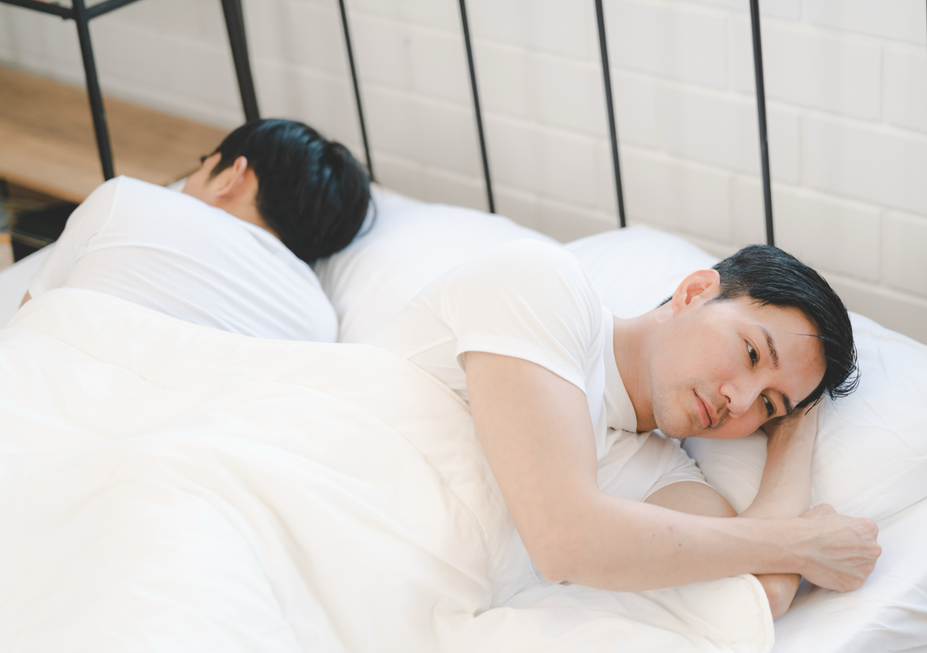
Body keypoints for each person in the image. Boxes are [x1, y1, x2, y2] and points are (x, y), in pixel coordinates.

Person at [371, 239, 881, 619]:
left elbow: (758, 593)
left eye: (768, 405)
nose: (741, 402)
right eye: (750, 353)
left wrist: (796, 429)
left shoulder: (664, 475)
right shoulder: (544, 288)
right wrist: (803, 544)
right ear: (695, 292)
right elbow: (562, 537)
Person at [21, 119, 370, 342]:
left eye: (205, 162)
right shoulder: (317, 323)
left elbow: (23, 327)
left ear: (234, 176)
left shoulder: (124, 199)